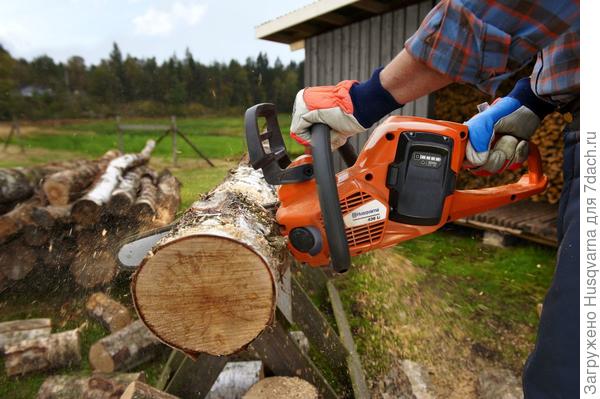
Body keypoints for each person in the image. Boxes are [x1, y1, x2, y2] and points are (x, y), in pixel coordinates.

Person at [289, 0, 580, 397]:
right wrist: (528, 102)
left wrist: (367, 99)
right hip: (578, 129)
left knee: (569, 373)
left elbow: (503, 9)